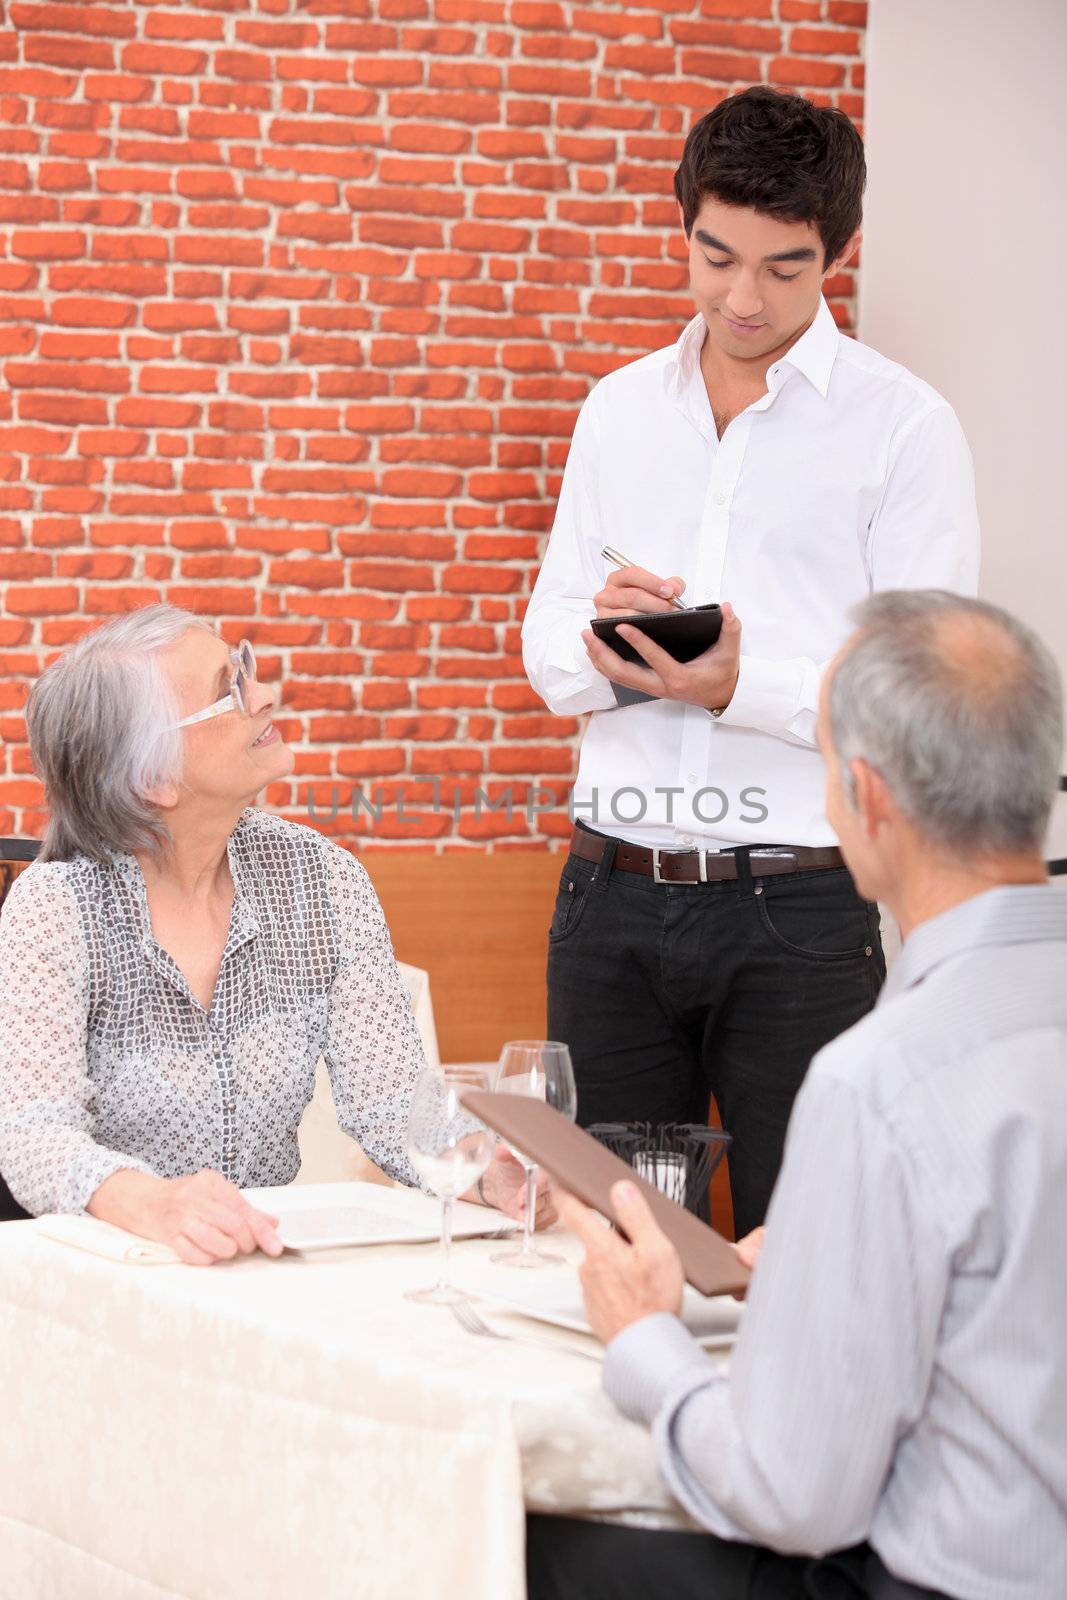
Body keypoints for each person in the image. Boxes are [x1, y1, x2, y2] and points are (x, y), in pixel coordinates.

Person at [528, 591, 1067, 1600]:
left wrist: (644, 1337)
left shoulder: (881, 1078)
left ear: (862, 795)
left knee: (524, 1540)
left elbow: (793, 1495)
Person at [522, 87, 980, 1236]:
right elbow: (543, 656)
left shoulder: (902, 429)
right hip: (604, 903)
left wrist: (739, 683)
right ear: (682, 225)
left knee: (818, 1252)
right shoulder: (616, 411)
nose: (741, 297)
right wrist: (605, 644)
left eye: (785, 267)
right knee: (609, 1250)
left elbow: (920, 705)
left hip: (798, 911)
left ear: (839, 250)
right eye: (713, 255)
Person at [0, 605, 549, 1262]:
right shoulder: (57, 903)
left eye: (247, 670)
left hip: (260, 1262)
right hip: (112, 1266)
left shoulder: (323, 879)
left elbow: (390, 1096)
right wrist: (150, 1202)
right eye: (228, 689)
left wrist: (485, 1168)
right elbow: (33, 1131)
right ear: (154, 778)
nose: (265, 696)